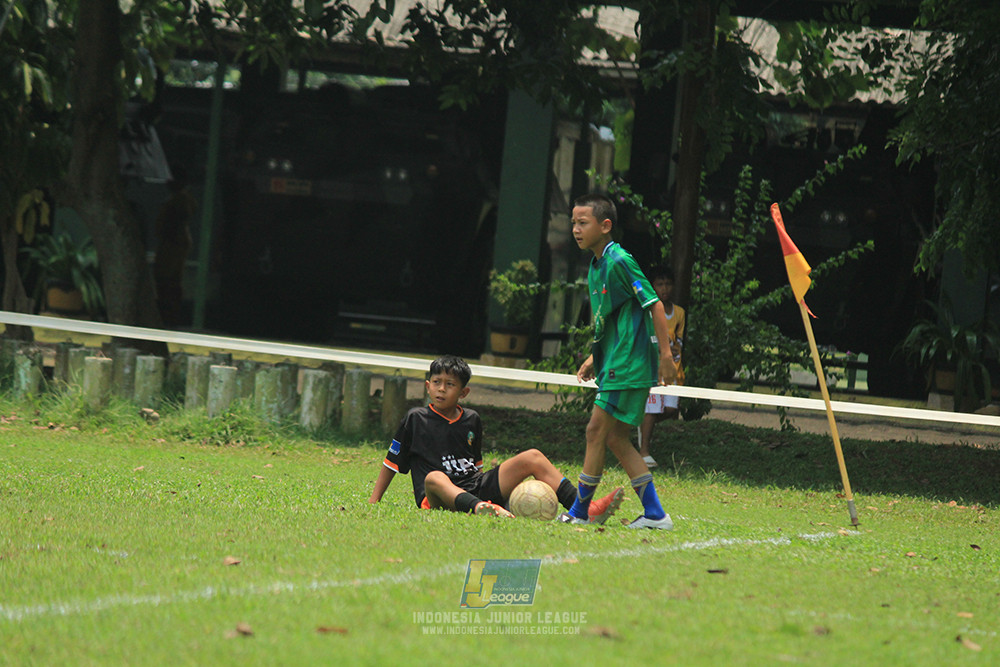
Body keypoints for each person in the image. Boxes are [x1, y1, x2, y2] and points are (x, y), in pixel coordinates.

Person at [369, 355, 624, 521]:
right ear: (427, 386)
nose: (441, 389)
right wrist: (374, 501)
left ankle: (585, 508)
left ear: (464, 392)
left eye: (450, 384)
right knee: (434, 478)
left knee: (533, 456)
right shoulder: (415, 418)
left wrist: (493, 487)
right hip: (437, 496)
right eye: (436, 382)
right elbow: (391, 463)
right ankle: (480, 508)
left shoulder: (472, 419)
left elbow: (476, 465)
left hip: (474, 485)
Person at [561, 193, 676, 530]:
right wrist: (594, 357)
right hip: (617, 360)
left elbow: (654, 304)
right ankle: (655, 514)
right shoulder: (597, 264)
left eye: (583, 223)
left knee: (595, 430)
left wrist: (666, 356)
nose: (576, 229)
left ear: (605, 225)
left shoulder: (619, 260)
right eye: (573, 223)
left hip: (628, 363)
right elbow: (610, 320)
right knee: (615, 438)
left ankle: (579, 512)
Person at [637, 264, 686, 468]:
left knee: (670, 409)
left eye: (668, 284)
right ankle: (644, 451)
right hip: (652, 368)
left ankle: (640, 424)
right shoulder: (647, 311)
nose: (664, 288)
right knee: (652, 408)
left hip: (672, 368)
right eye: (659, 284)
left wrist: (673, 349)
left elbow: (679, 341)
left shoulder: (679, 313)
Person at [153, 165, 196, 327]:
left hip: (172, 245)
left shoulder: (180, 200)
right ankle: (168, 315)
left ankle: (170, 316)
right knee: (167, 281)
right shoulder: (178, 199)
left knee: (168, 281)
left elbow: (177, 219)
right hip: (170, 244)